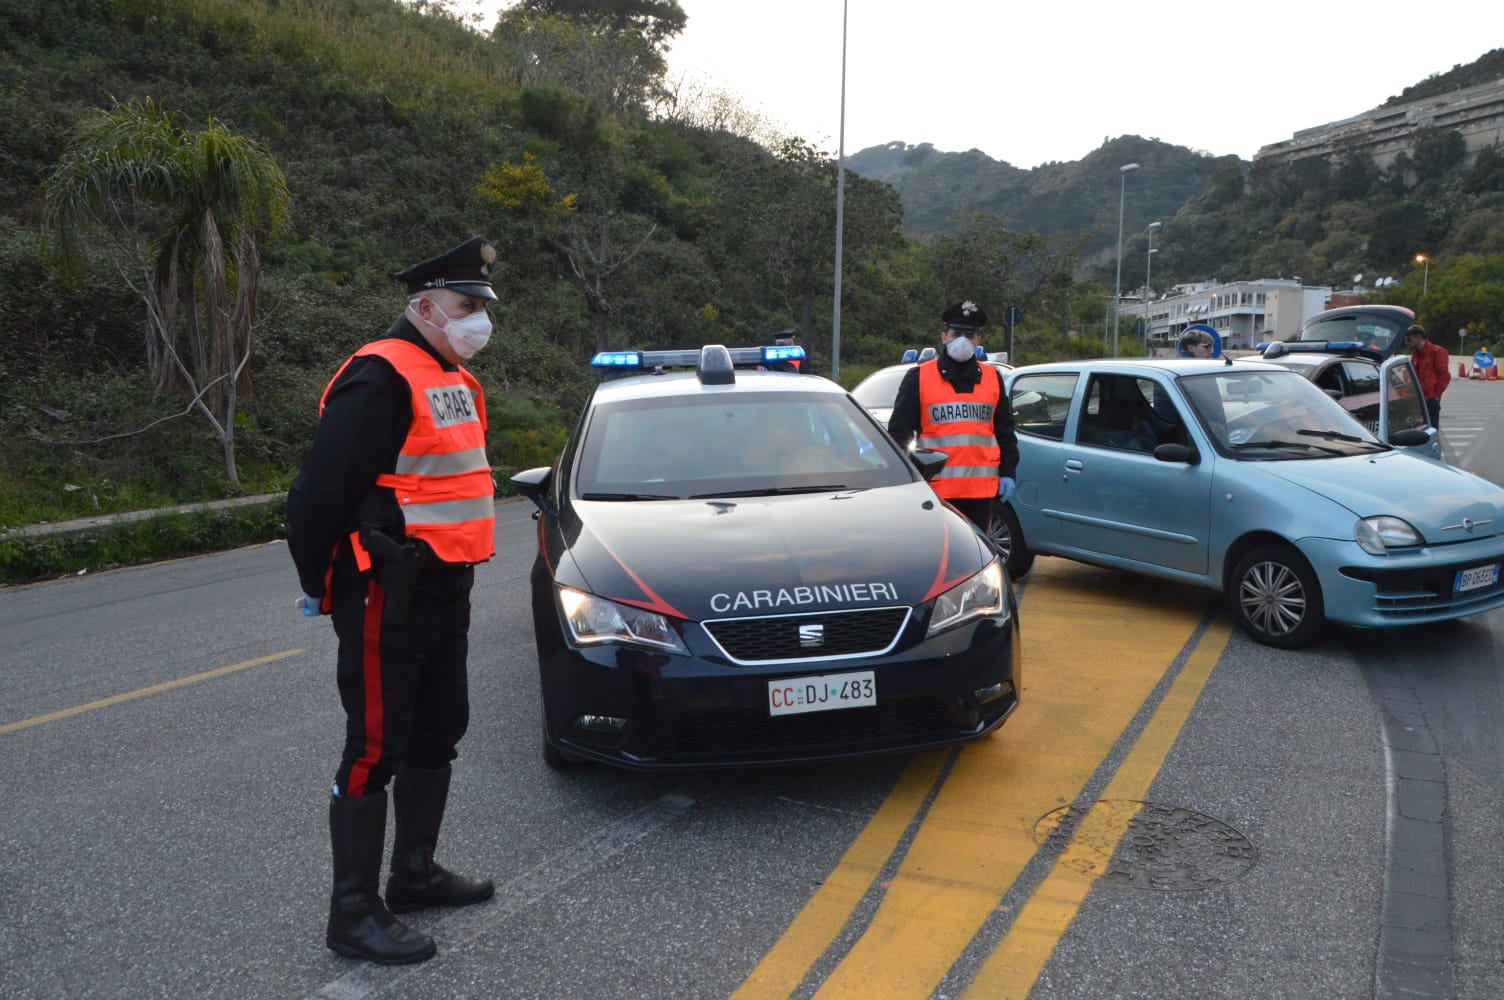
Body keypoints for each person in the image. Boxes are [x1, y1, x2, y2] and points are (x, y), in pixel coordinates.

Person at [286, 237, 500, 965]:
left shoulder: (454, 377)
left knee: (439, 729)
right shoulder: (381, 373)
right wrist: (320, 583)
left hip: (447, 584)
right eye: (466, 307)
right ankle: (352, 913)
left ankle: (412, 874)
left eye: (480, 308)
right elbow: (318, 493)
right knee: (375, 743)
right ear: (424, 306)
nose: (477, 321)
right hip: (387, 587)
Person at [887, 300, 1020, 535]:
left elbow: (1005, 431)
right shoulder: (919, 377)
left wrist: (1009, 472)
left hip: (981, 494)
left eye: (969, 335)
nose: (963, 341)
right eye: (956, 333)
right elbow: (899, 435)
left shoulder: (992, 377)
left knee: (978, 559)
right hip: (936, 493)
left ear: (979, 340)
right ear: (944, 337)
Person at [1403, 323, 1451, 427]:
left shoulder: (1437, 352)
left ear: (1418, 337)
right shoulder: (1415, 355)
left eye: (1409, 340)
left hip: (1431, 398)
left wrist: (1436, 396)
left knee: (1432, 428)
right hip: (1418, 398)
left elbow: (1444, 375)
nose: (1407, 343)